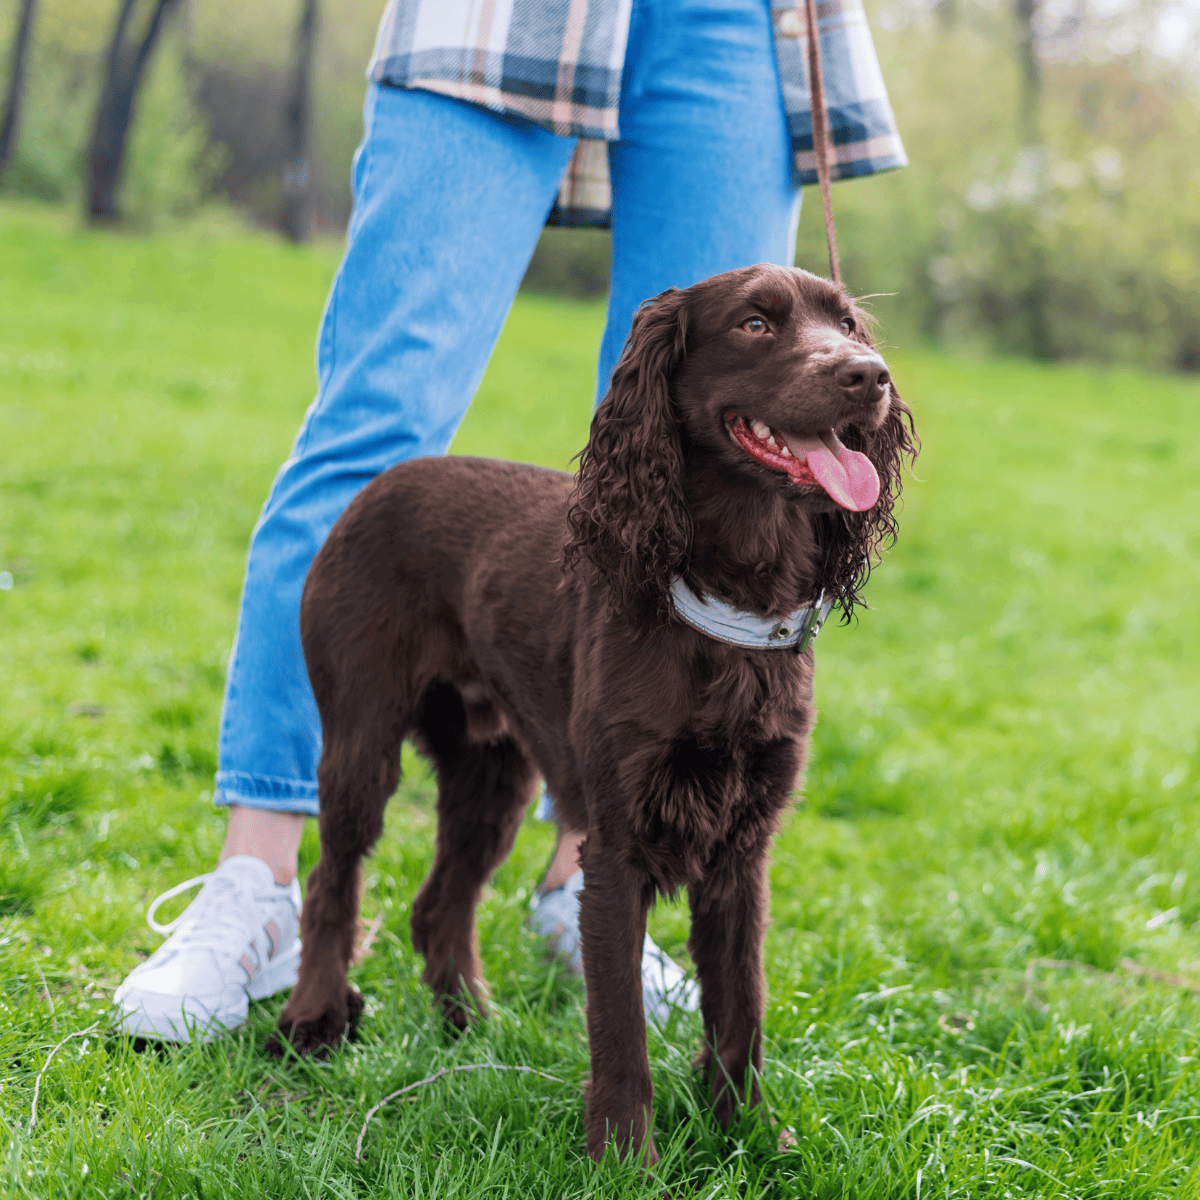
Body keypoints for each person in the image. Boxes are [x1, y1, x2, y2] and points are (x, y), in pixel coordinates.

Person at [115, 0, 905, 1042]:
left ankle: (589, 879)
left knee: (732, 410)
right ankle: (256, 889)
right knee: (376, 415)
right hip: (496, 19)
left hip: (730, 20)